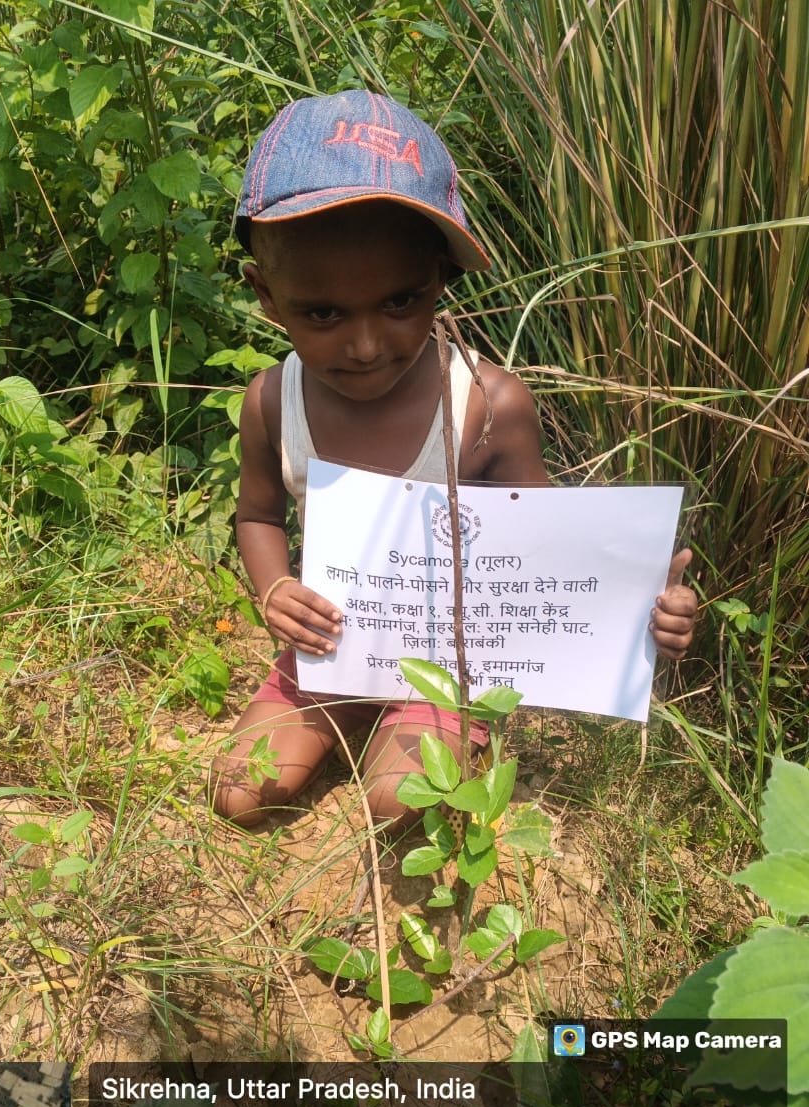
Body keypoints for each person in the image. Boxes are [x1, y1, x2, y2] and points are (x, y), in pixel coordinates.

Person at [209, 90, 697, 829]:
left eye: (400, 302)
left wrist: (634, 602)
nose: (367, 344)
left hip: (452, 664)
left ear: (441, 279)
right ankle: (343, 715)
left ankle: (422, 729)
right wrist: (276, 589)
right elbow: (257, 513)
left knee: (400, 802)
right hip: (333, 645)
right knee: (240, 791)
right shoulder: (275, 402)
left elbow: (539, 550)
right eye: (323, 314)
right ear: (266, 296)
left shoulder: (485, 406)